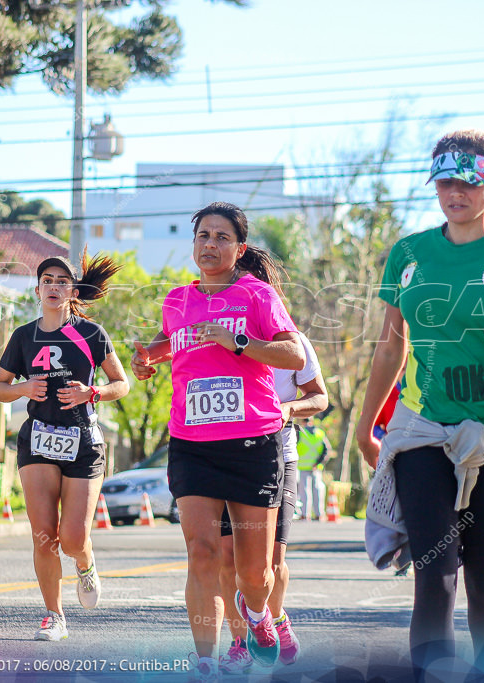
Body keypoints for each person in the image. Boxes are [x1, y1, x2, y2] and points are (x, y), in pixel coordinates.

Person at [356, 129, 484, 680]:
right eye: (444, 181)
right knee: (435, 571)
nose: (454, 192)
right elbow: (391, 344)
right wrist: (366, 423)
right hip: (423, 429)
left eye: (467, 181)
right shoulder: (410, 252)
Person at [131, 201, 304, 682]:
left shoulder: (257, 295)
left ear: (239, 247)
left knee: (254, 576)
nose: (210, 244)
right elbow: (175, 343)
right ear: (193, 245)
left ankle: (258, 614)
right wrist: (150, 359)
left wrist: (240, 342)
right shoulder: (176, 300)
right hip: (192, 443)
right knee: (202, 552)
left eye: (221, 237)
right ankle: (205, 661)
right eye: (203, 236)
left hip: (253, 444)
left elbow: (292, 353)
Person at [0, 253, 129, 641]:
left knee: (71, 537)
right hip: (37, 439)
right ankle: (55, 616)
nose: (53, 286)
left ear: (72, 291)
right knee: (43, 534)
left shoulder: (91, 334)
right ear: (38, 290)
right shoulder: (23, 336)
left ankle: (85, 564)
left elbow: (122, 383)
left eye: (61, 281)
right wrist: (22, 388)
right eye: (47, 280)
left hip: (83, 441)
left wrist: (94, 393)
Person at [218, 332, 329, 674]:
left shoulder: (292, 340)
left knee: (273, 562)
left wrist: (289, 408)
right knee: (228, 558)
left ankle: (275, 618)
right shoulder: (217, 332)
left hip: (278, 455)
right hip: (222, 454)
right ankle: (240, 643)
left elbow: (319, 397)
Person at [296, 416, 331, 521]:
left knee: (304, 491)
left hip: (303, 466)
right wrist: (319, 462)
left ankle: (305, 514)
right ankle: (319, 514)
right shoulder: (320, 433)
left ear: (303, 421)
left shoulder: (300, 433)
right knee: (317, 490)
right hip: (316, 467)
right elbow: (327, 450)